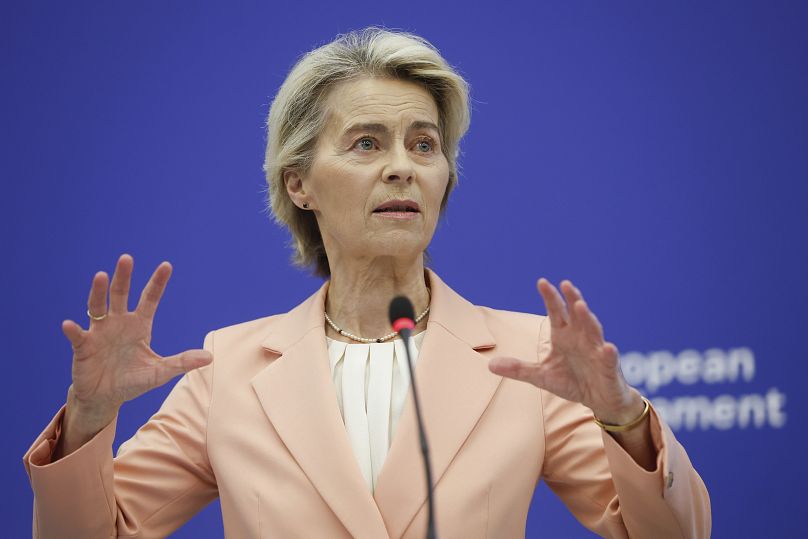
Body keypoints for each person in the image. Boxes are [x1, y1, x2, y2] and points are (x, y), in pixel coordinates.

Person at [23, 27, 711, 538]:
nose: (402, 167)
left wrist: (625, 419)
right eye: (366, 143)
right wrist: (88, 420)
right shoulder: (228, 370)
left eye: (424, 144)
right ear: (299, 183)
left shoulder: (525, 357)